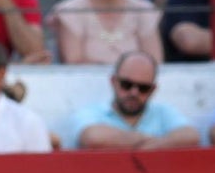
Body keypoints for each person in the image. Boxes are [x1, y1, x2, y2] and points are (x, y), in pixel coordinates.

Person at [67, 50, 200, 150]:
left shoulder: (163, 112)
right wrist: (152, 141)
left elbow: (191, 136)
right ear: (113, 82)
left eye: (143, 88)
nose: (134, 92)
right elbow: (92, 138)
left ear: (153, 90)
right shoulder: (92, 112)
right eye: (126, 85)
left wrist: (146, 144)